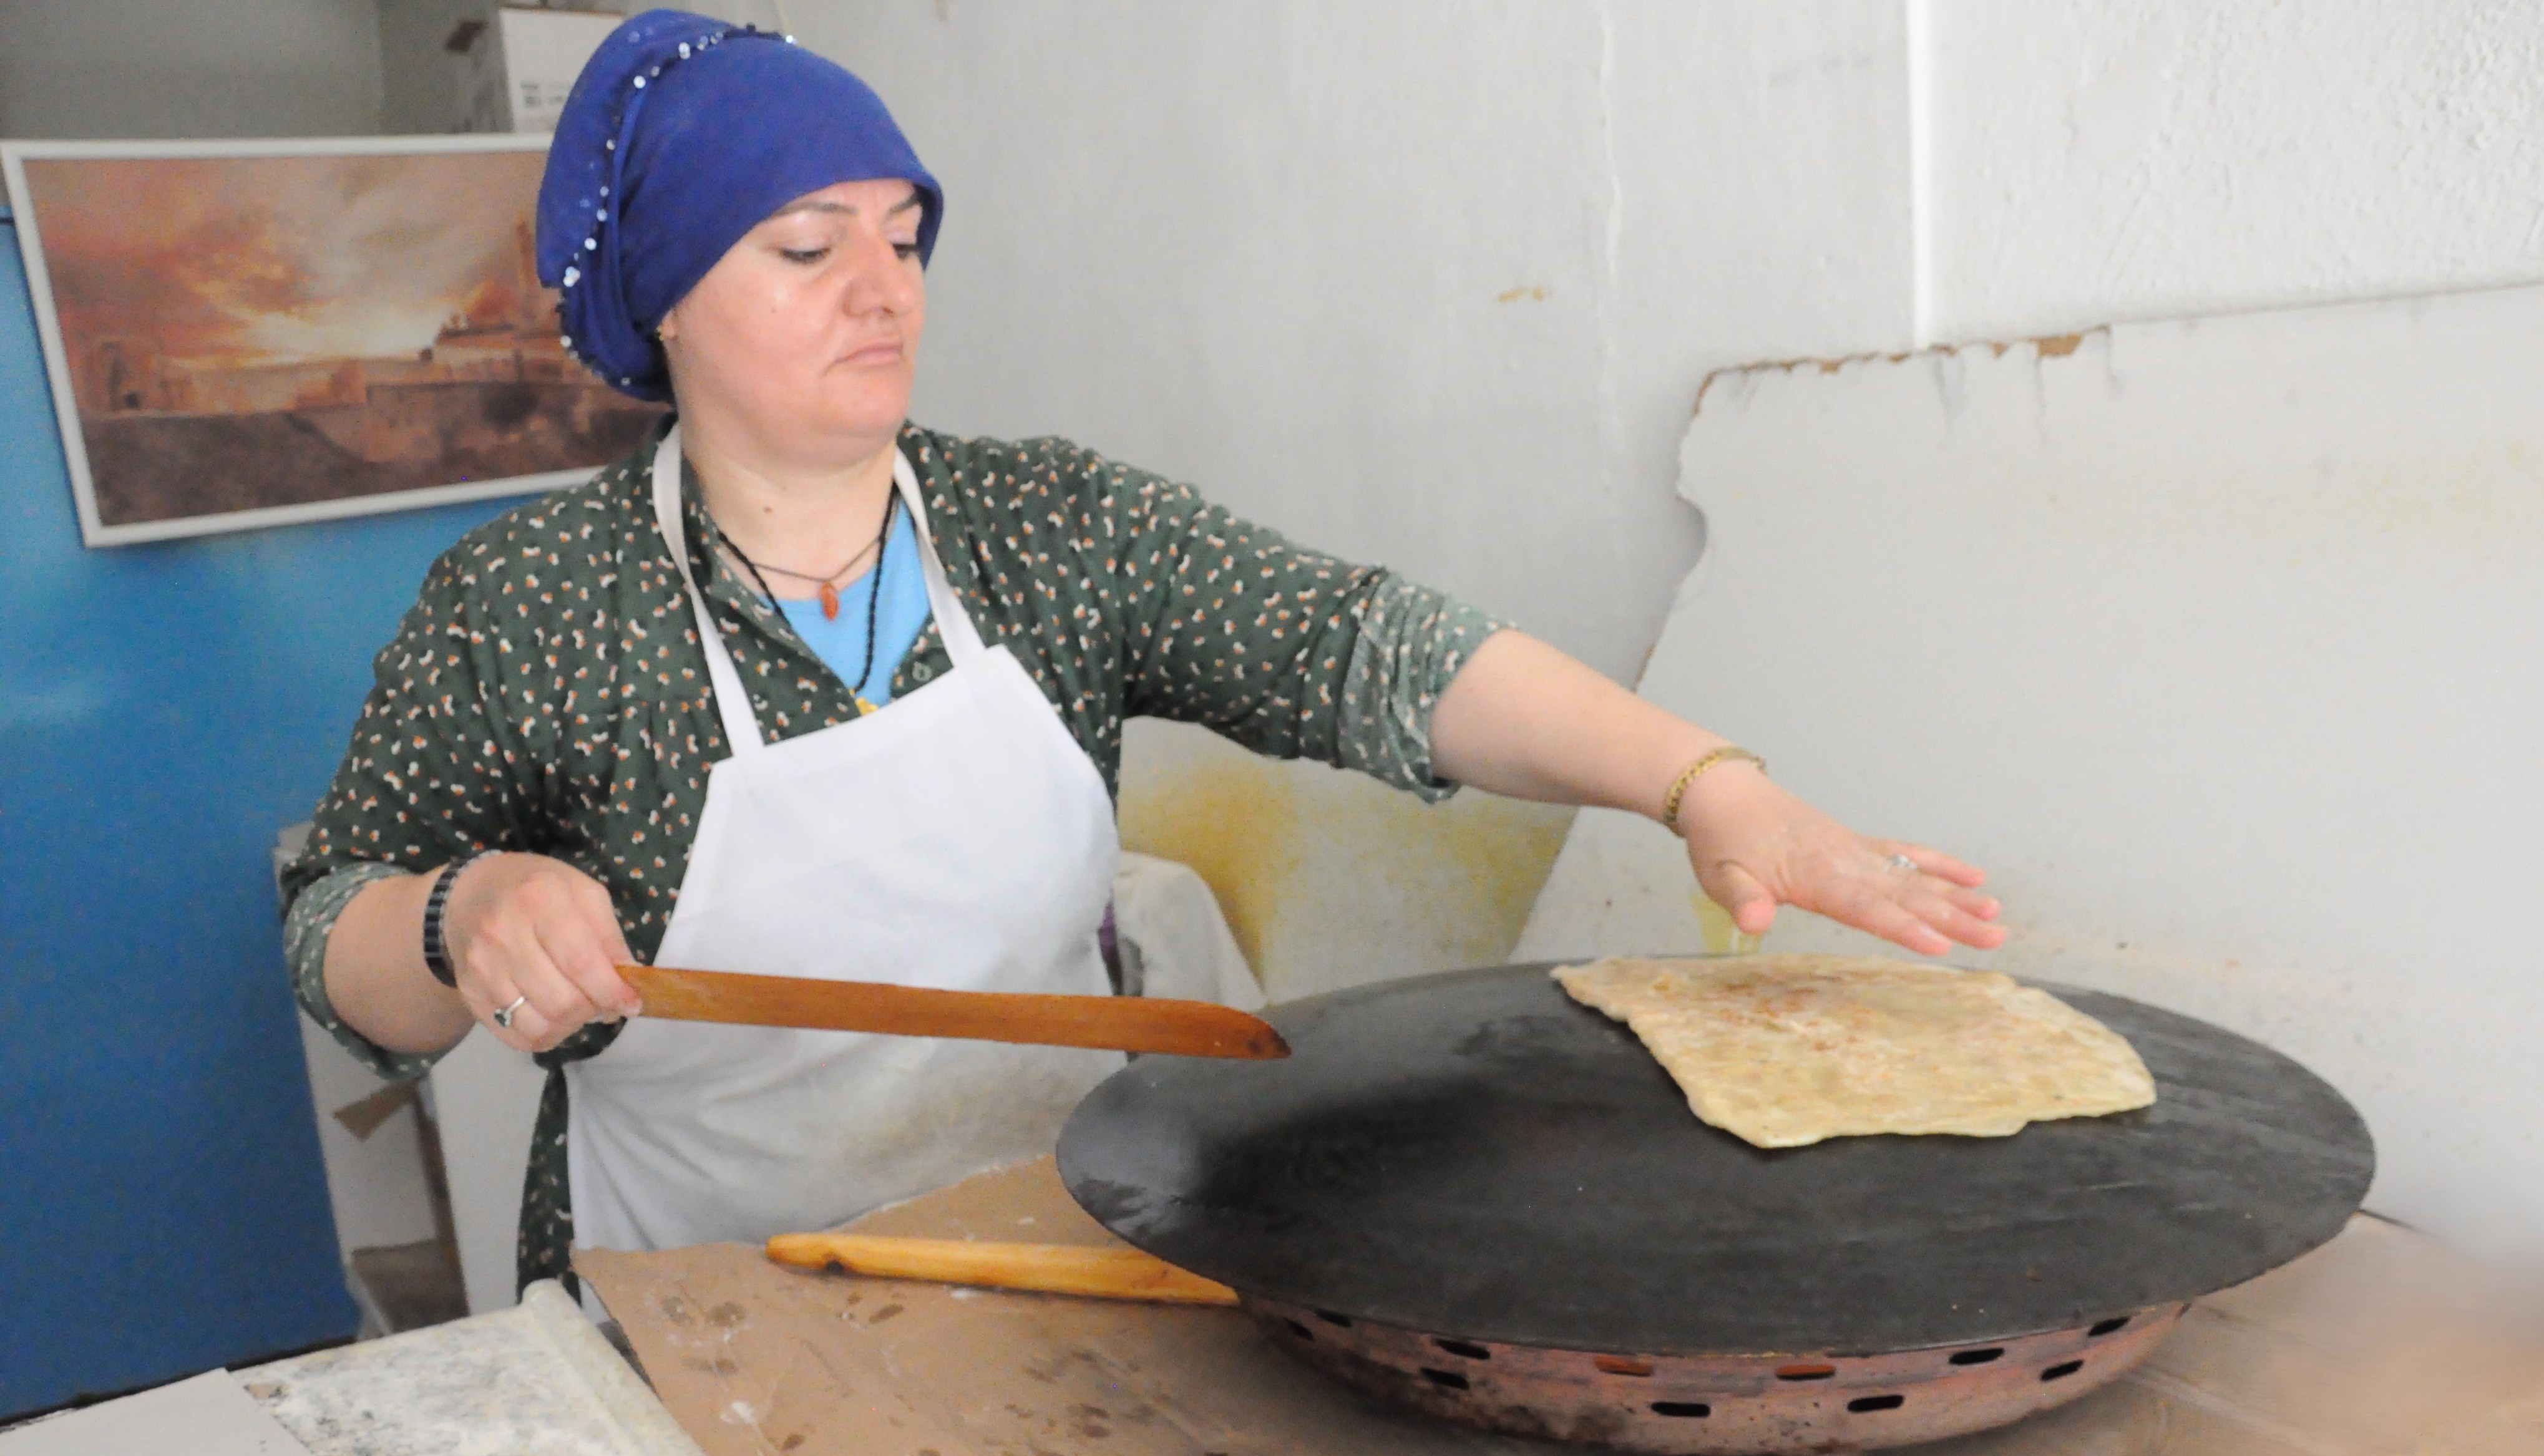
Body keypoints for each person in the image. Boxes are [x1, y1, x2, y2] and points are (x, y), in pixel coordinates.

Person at [281, 11, 2004, 1294]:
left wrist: (1700, 781)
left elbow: (1366, 649)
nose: (882, 289)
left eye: (902, 234)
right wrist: (453, 913)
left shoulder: (1050, 530)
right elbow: (332, 927)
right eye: (807, 247)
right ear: (664, 298)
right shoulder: (530, 606)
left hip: (1060, 1241)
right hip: (706, 1288)